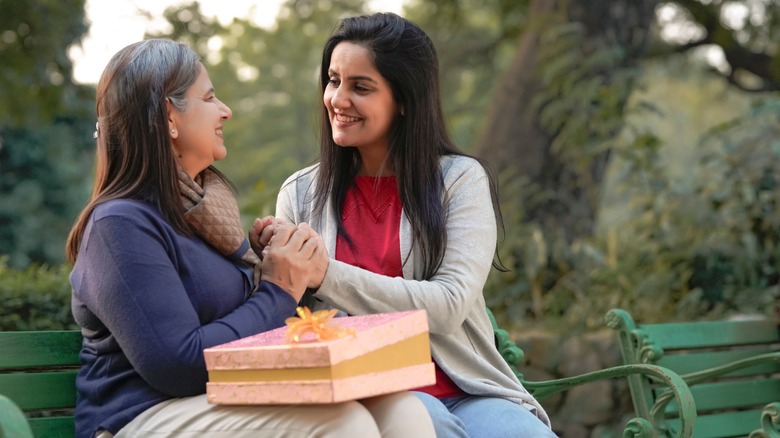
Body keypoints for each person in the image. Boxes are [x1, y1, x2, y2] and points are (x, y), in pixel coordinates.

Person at [65, 38, 435, 438]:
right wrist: (277, 289)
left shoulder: (205, 215)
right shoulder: (119, 225)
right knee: (345, 423)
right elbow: (177, 366)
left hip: (221, 398)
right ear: (169, 115)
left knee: (401, 408)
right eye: (209, 98)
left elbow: (253, 324)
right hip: (142, 415)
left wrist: (282, 267)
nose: (225, 110)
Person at [257, 12, 556, 438]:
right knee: (425, 423)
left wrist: (324, 271)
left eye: (360, 87)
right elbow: (287, 311)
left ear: (403, 99)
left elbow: (450, 304)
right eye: (333, 80)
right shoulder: (301, 193)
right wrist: (265, 260)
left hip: (468, 389)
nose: (338, 99)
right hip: (368, 392)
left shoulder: (459, 181)